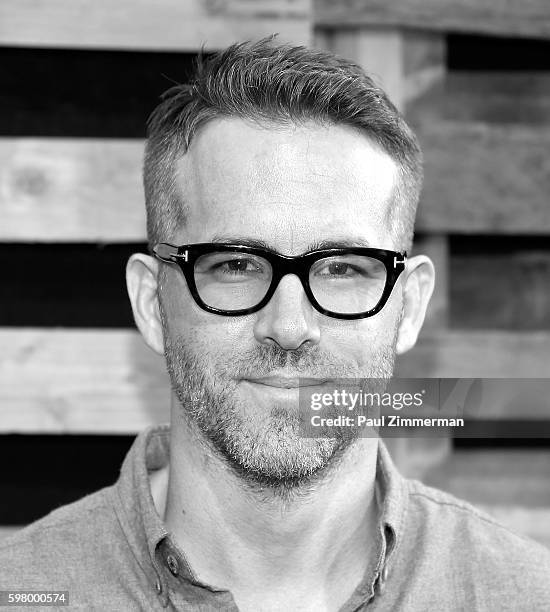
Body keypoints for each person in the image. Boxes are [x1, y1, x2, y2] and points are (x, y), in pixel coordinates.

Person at [1, 37, 549, 612]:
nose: (289, 326)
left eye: (341, 268)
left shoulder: (522, 594)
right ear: (151, 301)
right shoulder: (26, 592)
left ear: (409, 307)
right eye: (237, 265)